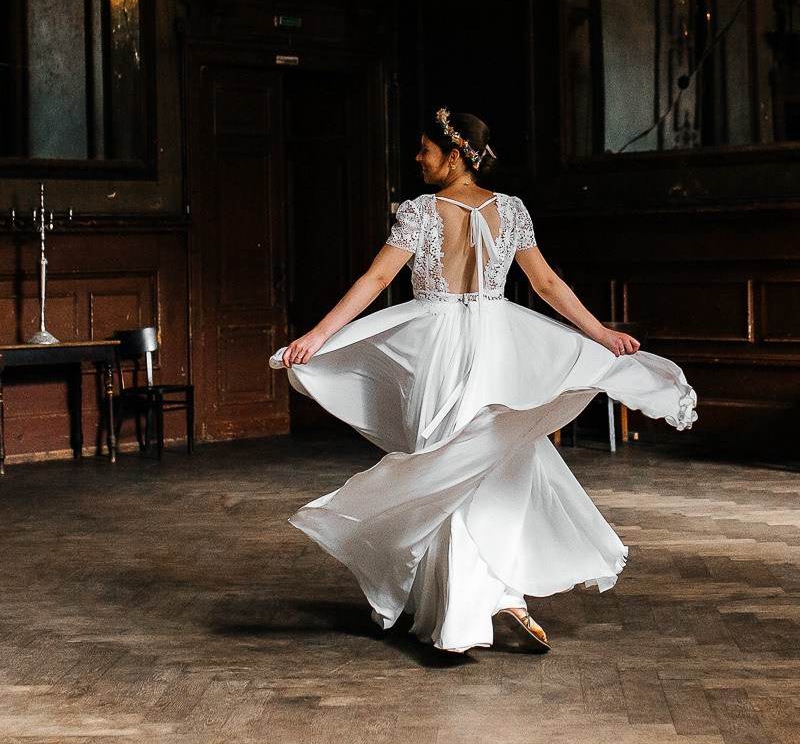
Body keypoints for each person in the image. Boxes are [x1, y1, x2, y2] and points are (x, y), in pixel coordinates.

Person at [276, 108, 696, 654]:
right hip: (497, 345)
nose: (417, 159)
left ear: (455, 157)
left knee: (446, 464)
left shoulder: (421, 211)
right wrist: (600, 333)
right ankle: (504, 595)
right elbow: (546, 284)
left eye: (425, 150)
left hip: (438, 349)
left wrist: (318, 335)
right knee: (483, 466)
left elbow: (377, 278)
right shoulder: (511, 210)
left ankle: (464, 618)